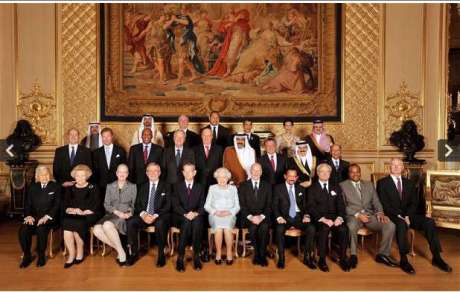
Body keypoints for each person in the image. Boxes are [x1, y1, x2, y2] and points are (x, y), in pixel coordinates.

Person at [377, 158, 452, 274]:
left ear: (403, 168)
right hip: (392, 215)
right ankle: (403, 259)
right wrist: (400, 216)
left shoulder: (409, 183)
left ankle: (437, 257)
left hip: (409, 215)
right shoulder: (382, 183)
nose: (396, 167)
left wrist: (407, 215)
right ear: (389, 167)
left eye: (399, 165)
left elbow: (414, 202)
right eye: (393, 165)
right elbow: (384, 204)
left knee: (429, 222)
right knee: (401, 224)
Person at [340, 164, 396, 269]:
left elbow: (376, 201)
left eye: (357, 172)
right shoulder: (342, 185)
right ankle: (353, 255)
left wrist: (380, 212)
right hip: (354, 216)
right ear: (349, 173)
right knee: (351, 226)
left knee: (390, 225)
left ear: (360, 173)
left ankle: (382, 254)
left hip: (370, 215)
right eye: (352, 172)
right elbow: (342, 206)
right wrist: (358, 215)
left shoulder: (369, 184)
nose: (355, 174)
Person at [126, 163, 171, 268]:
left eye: (155, 170)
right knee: (131, 222)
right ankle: (133, 253)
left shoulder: (166, 186)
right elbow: (137, 204)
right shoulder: (142, 186)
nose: (152, 173)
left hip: (159, 215)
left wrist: (155, 215)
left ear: (159, 173)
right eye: (149, 171)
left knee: (160, 224)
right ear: (146, 173)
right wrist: (144, 215)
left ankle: (161, 254)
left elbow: (168, 205)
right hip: (145, 216)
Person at [307, 163, 349, 272]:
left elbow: (341, 205)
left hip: (335, 218)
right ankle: (322, 259)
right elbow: (311, 207)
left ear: (330, 174)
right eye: (322, 172)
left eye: (327, 172)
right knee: (324, 229)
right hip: (321, 219)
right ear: (318, 173)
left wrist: (339, 218)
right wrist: (323, 219)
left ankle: (343, 258)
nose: (325, 174)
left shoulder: (336, 187)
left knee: (344, 229)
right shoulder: (312, 188)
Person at [92, 164, 136, 266]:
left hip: (124, 215)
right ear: (116, 173)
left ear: (127, 174)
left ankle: (121, 255)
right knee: (96, 230)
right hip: (111, 214)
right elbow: (106, 204)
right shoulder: (110, 186)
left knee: (107, 225)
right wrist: (116, 212)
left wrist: (129, 213)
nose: (122, 174)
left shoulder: (133, 187)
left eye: (125, 172)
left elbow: (134, 205)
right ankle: (121, 250)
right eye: (120, 172)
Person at [19, 165, 61, 268]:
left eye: (46, 174)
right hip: (34, 217)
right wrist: (28, 216)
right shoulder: (33, 187)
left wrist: (47, 217)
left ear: (49, 175)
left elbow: (57, 205)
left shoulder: (56, 186)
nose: (44, 177)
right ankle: (27, 255)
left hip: (50, 218)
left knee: (41, 228)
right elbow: (27, 204)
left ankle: (41, 255)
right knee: (23, 229)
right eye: (42, 175)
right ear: (37, 176)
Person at [273, 169, 316, 270]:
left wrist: (306, 215)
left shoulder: (300, 188)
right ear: (285, 176)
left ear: (297, 178)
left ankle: (307, 257)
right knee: (279, 229)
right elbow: (274, 206)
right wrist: (279, 217)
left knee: (311, 228)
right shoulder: (278, 188)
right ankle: (281, 259)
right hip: (285, 217)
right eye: (289, 176)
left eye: (294, 176)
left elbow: (306, 205)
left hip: (299, 217)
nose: (292, 178)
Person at [62, 164, 101, 268]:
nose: (80, 178)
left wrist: (83, 212)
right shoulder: (70, 189)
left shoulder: (93, 187)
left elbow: (96, 205)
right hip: (73, 215)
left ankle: (80, 253)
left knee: (77, 224)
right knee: (67, 225)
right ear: (74, 176)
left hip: (88, 215)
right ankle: (71, 254)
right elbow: (65, 205)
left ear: (87, 176)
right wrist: (73, 210)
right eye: (77, 175)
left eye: (82, 175)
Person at [194, 128, 223, 262]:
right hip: (199, 188)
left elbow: (222, 168)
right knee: (201, 216)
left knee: (213, 215)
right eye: (204, 135)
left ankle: (214, 247)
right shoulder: (194, 149)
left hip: (214, 188)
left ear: (212, 137)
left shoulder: (219, 149)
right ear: (201, 136)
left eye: (209, 135)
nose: (206, 137)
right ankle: (203, 247)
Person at [172, 163, 206, 272]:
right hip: (181, 216)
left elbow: (203, 205)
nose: (187, 173)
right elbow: (175, 205)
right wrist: (185, 214)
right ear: (182, 173)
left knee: (196, 222)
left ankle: (196, 256)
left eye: (190, 171)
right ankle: (180, 257)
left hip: (196, 216)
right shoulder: (177, 186)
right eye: (185, 171)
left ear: (194, 172)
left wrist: (195, 213)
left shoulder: (200, 187)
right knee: (186, 222)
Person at [204, 167, 240, 265]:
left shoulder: (233, 189)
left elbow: (237, 207)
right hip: (215, 215)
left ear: (228, 178)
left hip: (230, 215)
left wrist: (229, 212)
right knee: (219, 228)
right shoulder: (212, 188)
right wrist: (216, 212)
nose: (222, 180)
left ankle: (229, 253)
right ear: (216, 178)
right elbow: (206, 206)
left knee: (228, 228)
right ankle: (218, 253)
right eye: (219, 177)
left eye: (224, 177)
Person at [238, 163, 271, 267]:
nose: (256, 173)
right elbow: (242, 205)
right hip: (248, 218)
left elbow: (269, 205)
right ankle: (257, 254)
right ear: (250, 172)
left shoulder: (267, 186)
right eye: (254, 170)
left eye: (258, 170)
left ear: (261, 172)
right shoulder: (243, 185)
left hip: (263, 217)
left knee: (264, 227)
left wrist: (261, 217)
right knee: (252, 228)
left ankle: (262, 255)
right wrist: (251, 217)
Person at [92, 127, 127, 201]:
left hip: (117, 185)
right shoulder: (96, 153)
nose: (106, 138)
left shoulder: (121, 151)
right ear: (101, 138)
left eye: (108, 136)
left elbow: (125, 168)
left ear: (112, 136)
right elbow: (94, 171)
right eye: (104, 136)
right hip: (101, 187)